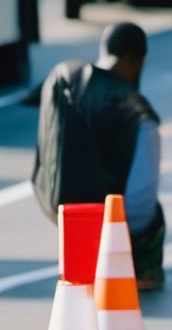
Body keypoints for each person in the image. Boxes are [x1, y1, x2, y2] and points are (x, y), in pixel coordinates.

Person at [33, 22, 165, 289]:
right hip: (104, 219)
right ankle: (141, 272)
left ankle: (83, 257)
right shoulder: (137, 112)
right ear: (132, 60)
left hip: (53, 204)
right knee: (154, 215)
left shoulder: (62, 76)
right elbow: (141, 199)